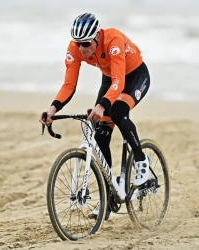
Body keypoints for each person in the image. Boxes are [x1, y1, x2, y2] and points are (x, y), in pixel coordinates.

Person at [39, 13, 150, 218]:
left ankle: (142, 161)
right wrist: (53, 109)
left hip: (135, 76)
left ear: (97, 37)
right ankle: (109, 200)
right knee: (100, 136)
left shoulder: (113, 40)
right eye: (78, 43)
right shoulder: (75, 49)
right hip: (110, 79)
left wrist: (101, 106)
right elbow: (69, 85)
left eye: (86, 43)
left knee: (117, 111)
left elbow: (120, 81)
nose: (82, 48)